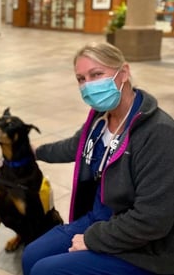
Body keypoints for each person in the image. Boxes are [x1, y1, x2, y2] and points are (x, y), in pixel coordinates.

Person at [22, 42, 174, 275]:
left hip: (143, 245)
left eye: (96, 74)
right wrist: (36, 152)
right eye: (81, 79)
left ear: (123, 72)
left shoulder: (158, 133)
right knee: (32, 255)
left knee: (45, 270)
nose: (88, 85)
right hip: (99, 217)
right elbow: (76, 146)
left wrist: (93, 239)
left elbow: (153, 219)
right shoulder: (101, 118)